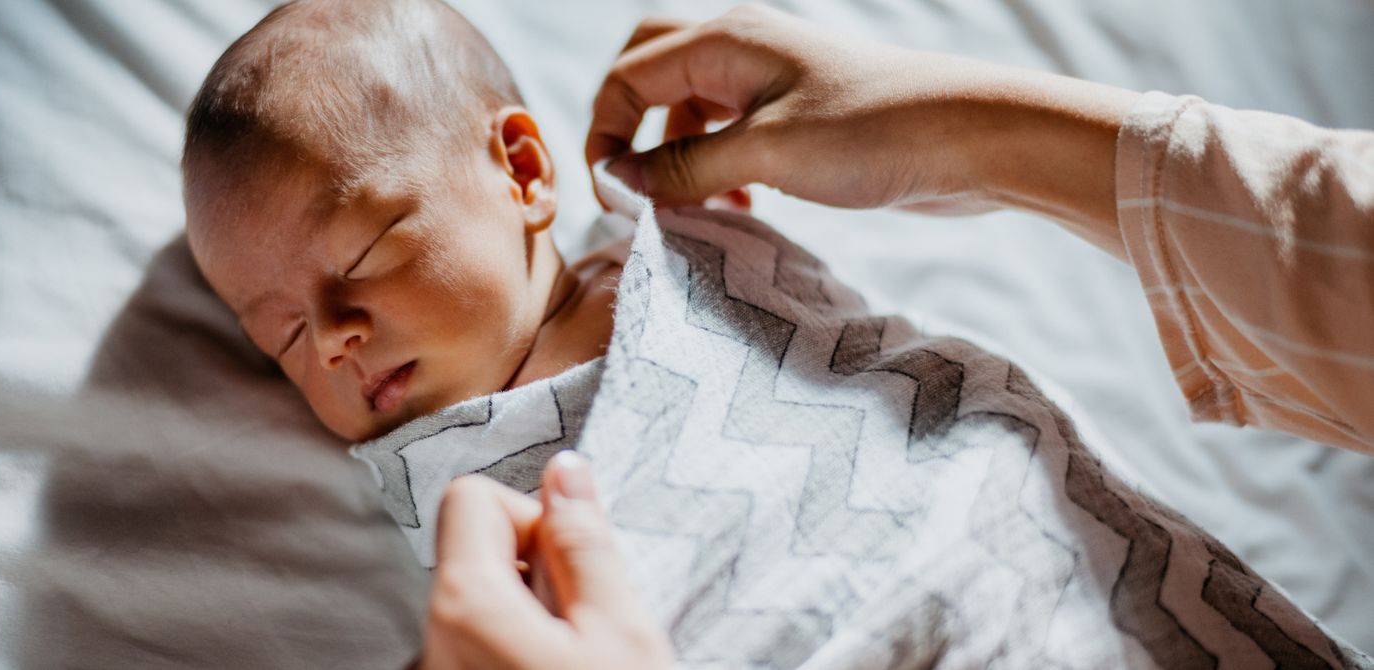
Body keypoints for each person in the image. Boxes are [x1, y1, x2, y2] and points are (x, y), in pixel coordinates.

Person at [421, 3, 1373, 668]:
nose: (345, 335)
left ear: (522, 170)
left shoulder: (680, 255)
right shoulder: (442, 504)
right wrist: (970, 132)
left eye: (370, 252)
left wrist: (971, 130)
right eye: (298, 327)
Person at [182, 0, 632, 442]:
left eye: (360, 255)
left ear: (520, 172)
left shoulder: (652, 240)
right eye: (287, 336)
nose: (329, 340)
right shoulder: (435, 473)